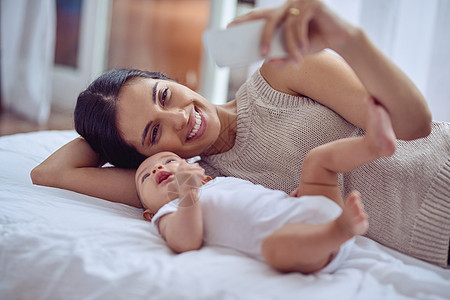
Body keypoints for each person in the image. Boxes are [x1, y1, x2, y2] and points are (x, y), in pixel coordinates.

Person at [31, 0, 450, 268]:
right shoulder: (202, 182)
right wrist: (107, 133)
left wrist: (347, 38)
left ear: (171, 79)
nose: (180, 117)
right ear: (145, 158)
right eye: (155, 132)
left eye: (164, 94)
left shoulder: (279, 73)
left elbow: (414, 126)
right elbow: (49, 174)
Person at [139, 96, 396, 274]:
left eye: (169, 160)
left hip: (306, 207)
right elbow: (186, 241)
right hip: (305, 245)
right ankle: (340, 230)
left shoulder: (217, 182)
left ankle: (372, 145)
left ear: (203, 176)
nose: (158, 168)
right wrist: (187, 194)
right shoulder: (167, 213)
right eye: (146, 177)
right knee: (273, 250)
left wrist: (290, 200)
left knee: (317, 161)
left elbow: (258, 199)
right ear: (149, 213)